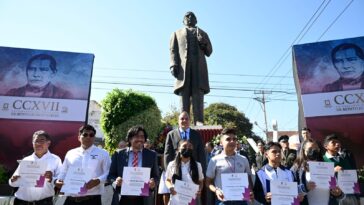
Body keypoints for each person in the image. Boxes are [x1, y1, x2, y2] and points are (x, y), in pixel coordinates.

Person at [169, 11, 213, 125]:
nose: (189, 18)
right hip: (183, 69)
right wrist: (173, 64)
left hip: (199, 69)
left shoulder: (203, 33)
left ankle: (199, 123)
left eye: (192, 16)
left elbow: (209, 52)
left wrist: (203, 42)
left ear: (196, 20)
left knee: (198, 96)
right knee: (184, 96)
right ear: (183, 21)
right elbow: (173, 50)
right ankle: (183, 123)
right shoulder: (176, 33)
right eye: (187, 16)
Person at [56, 125, 111, 205]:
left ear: (94, 137)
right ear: (79, 137)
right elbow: (63, 172)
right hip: (71, 199)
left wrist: (98, 180)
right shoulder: (71, 153)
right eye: (85, 135)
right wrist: (59, 180)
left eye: (91, 135)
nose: (88, 137)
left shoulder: (103, 153)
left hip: (92, 200)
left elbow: (108, 173)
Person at [108, 125, 159, 205]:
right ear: (130, 139)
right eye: (136, 136)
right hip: (122, 198)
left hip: (143, 200)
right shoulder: (118, 154)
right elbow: (111, 175)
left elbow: (156, 176)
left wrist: (153, 182)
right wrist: (115, 181)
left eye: (142, 137)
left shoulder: (152, 155)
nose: (140, 139)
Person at [9, 130, 62, 205]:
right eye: (36, 141)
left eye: (42, 140)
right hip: (21, 202)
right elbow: (13, 184)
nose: (38, 143)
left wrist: (51, 179)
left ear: (48, 143)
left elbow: (60, 181)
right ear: (32, 143)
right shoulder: (26, 160)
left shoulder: (55, 159)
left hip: (44, 202)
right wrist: (13, 180)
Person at [206, 128, 253, 205]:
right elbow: (208, 182)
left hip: (242, 201)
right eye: (228, 139)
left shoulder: (243, 159)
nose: (232, 141)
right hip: (223, 201)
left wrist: (250, 190)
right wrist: (216, 190)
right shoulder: (214, 160)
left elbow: (248, 178)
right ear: (221, 143)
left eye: (234, 139)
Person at [291, 139, 345, 205]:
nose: (314, 151)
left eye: (316, 149)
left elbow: (340, 193)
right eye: (310, 148)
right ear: (303, 151)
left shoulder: (326, 167)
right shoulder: (296, 169)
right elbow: (290, 191)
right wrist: (304, 188)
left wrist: (339, 193)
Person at [6, 54, 73, 99]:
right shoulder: (12, 93)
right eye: (32, 69)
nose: (36, 74)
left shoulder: (64, 95)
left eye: (43, 70)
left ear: (53, 73)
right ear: (26, 72)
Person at [165, 140, 204, 205]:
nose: (187, 148)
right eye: (184, 146)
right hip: (176, 200)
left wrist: (199, 189)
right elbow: (167, 180)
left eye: (190, 146)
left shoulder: (198, 165)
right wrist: (170, 188)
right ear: (178, 149)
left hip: (192, 200)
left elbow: (201, 181)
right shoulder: (172, 164)